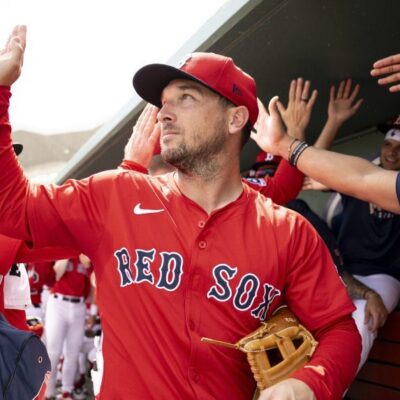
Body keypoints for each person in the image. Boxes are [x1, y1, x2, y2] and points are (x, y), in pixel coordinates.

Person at [0, 26, 361, 400]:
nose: (164, 114)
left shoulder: (288, 231)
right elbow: (13, 207)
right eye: (164, 102)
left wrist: (309, 382)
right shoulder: (117, 194)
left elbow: (339, 329)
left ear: (235, 119)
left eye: (185, 98)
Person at [44, 255, 93, 400]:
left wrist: (92, 312)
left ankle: (67, 391)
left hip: (79, 306)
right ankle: (47, 392)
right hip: (58, 303)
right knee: (53, 352)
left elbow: (93, 284)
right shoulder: (65, 251)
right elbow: (56, 275)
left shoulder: (86, 255)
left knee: (73, 352)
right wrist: (71, 253)